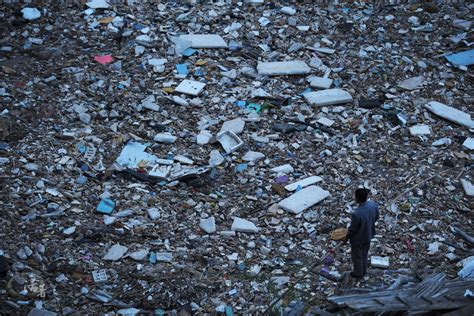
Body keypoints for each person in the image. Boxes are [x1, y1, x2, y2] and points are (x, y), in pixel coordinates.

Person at [343, 188, 379, 278]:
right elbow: (376, 216)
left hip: (358, 239)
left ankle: (358, 273)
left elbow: (352, 229)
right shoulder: (373, 205)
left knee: (357, 257)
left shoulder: (357, 213)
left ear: (357, 198)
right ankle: (364, 270)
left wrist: (346, 237)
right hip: (369, 235)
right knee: (364, 254)